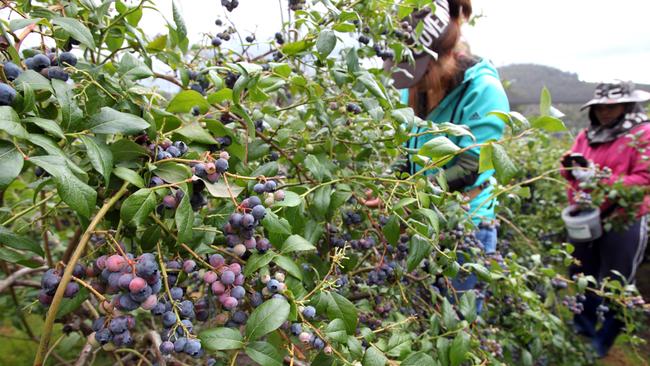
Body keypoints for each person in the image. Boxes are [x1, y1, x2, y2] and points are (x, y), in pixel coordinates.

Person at [382, 0, 509, 308]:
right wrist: (392, 182)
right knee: (423, 304)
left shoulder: (483, 90)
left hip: (466, 223)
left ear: (447, 56)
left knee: (456, 311)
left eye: (421, 71)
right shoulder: (415, 88)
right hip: (425, 216)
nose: (415, 80)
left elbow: (472, 165)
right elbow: (409, 147)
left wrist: (413, 193)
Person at [560, 80, 650, 357]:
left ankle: (604, 339)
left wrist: (601, 179)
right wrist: (570, 169)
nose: (606, 112)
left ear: (627, 105)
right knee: (580, 270)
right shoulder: (588, 135)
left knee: (617, 279)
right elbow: (571, 167)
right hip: (587, 216)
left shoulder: (643, 134)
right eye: (600, 107)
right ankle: (583, 326)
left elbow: (645, 179)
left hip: (624, 218)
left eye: (612, 107)